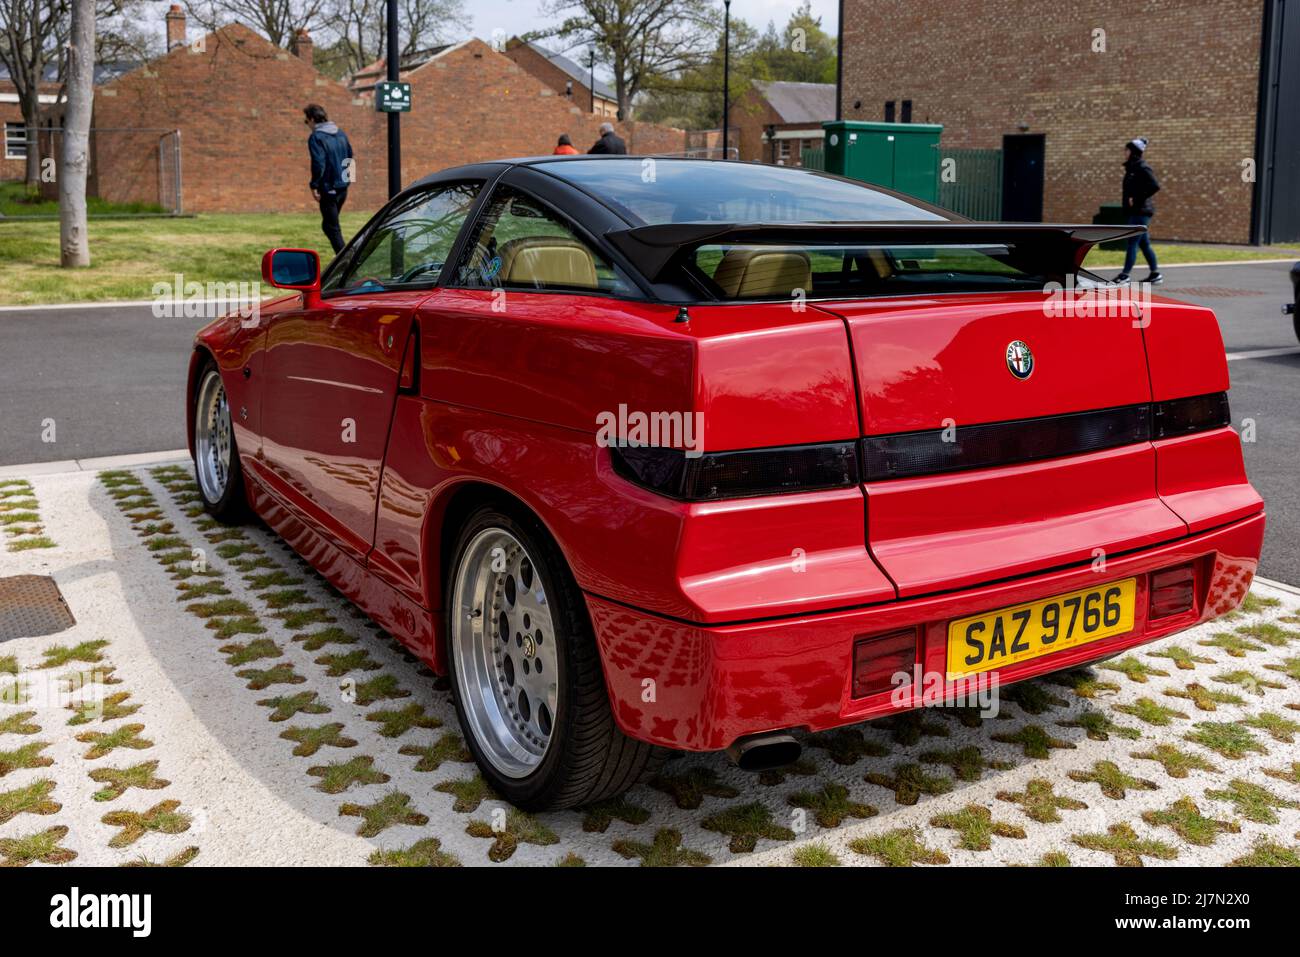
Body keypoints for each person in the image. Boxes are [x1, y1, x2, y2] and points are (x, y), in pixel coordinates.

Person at [304, 104, 354, 254]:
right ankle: (344, 259)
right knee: (329, 226)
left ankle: (346, 261)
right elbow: (350, 157)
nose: (307, 125)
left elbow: (319, 163)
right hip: (342, 188)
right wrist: (347, 181)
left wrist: (314, 185)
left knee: (332, 228)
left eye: (306, 121)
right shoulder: (341, 134)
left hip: (328, 188)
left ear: (312, 119)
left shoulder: (316, 137)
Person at [1115, 137, 1163, 285]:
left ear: (1133, 151)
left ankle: (1125, 276)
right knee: (1143, 244)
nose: (1125, 152)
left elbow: (1154, 185)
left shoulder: (1142, 167)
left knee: (1132, 242)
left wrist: (1136, 198)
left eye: (1127, 150)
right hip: (1136, 211)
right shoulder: (1133, 167)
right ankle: (1155, 274)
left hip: (1140, 211)